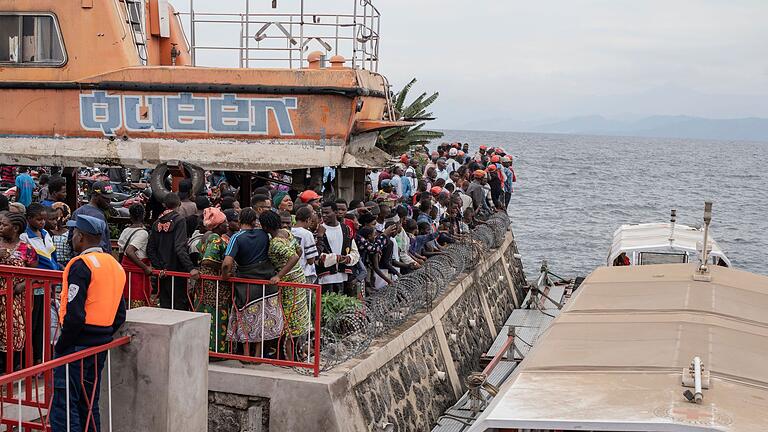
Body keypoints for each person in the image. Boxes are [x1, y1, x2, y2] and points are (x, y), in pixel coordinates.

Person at [50, 214, 126, 431]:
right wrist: (103, 335)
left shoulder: (81, 265)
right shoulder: (114, 265)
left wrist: (63, 345)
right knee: (89, 401)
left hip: (77, 344)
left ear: (81, 237)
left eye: (73, 233)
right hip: (100, 344)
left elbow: (74, 315)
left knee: (66, 404)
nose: (71, 237)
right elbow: (121, 315)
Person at [222, 208, 281, 357]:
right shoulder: (264, 235)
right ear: (254, 221)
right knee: (262, 320)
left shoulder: (237, 237)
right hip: (267, 284)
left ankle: (247, 354)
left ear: (240, 220)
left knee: (245, 319)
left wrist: (225, 276)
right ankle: (258, 354)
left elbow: (227, 263)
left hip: (246, 285)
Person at [260, 211, 310, 361]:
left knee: (289, 318)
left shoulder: (276, 242)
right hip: (298, 277)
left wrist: (279, 275)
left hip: (289, 282)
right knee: (299, 316)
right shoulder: (286, 233)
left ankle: (289, 358)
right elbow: (299, 251)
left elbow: (294, 257)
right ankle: (299, 353)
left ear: (265, 226)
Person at [21, 203, 62, 363]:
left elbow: (52, 257)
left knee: (42, 324)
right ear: (29, 219)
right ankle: (29, 359)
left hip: (47, 284)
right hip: (34, 285)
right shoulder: (25, 236)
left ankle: (39, 358)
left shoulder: (45, 233)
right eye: (39, 219)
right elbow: (28, 260)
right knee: (32, 324)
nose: (42, 222)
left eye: (44, 219)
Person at [146, 193, 198, 310]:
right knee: (179, 308)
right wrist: (190, 268)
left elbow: (150, 249)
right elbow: (180, 247)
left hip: (163, 274)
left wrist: (160, 268)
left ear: (164, 205)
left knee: (165, 307)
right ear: (179, 204)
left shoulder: (156, 222)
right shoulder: (180, 221)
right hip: (177, 272)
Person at [0, 211, 37, 371]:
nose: (0, 227)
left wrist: (21, 286)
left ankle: (9, 369)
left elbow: (35, 274)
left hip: (15, 300)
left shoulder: (26, 248)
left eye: (4, 225)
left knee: (14, 331)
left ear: (15, 228)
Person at [195, 207, 231, 353]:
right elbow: (207, 261)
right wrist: (224, 266)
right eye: (224, 222)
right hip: (214, 285)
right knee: (216, 316)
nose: (227, 224)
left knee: (206, 315)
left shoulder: (207, 236)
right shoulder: (215, 238)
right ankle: (216, 350)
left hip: (207, 284)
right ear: (218, 225)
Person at [316, 201, 359, 294]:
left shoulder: (346, 229)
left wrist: (347, 259)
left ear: (335, 212)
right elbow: (316, 255)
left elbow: (355, 252)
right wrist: (337, 258)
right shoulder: (319, 230)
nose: (324, 215)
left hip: (344, 277)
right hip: (325, 278)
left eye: (327, 213)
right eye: (322, 213)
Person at [118, 204, 152, 308]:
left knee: (126, 297)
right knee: (137, 298)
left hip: (126, 269)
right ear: (144, 215)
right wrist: (145, 267)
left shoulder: (125, 231)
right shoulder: (143, 233)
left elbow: (121, 252)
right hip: (137, 271)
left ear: (130, 216)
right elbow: (129, 251)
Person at [70, 181, 113, 253]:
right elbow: (100, 246)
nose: (109, 201)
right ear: (95, 195)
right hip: (97, 260)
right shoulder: (97, 216)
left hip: (81, 258)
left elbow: (70, 239)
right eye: (105, 198)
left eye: (110, 198)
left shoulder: (78, 211)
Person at [291, 206, 319, 284]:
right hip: (304, 273)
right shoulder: (307, 234)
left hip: (291, 272)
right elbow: (311, 260)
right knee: (306, 296)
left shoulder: (289, 231)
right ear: (308, 220)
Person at [49, 203, 72, 268]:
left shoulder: (69, 233)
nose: (57, 221)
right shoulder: (47, 233)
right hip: (52, 264)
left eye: (61, 217)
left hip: (67, 264)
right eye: (54, 218)